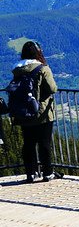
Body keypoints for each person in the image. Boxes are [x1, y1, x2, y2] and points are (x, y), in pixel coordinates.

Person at [12, 41, 58, 182]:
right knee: (44, 143)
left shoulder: (17, 70)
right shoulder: (42, 68)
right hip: (42, 112)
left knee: (28, 143)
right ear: (38, 52)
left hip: (24, 112)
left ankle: (30, 173)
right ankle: (47, 173)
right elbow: (52, 88)